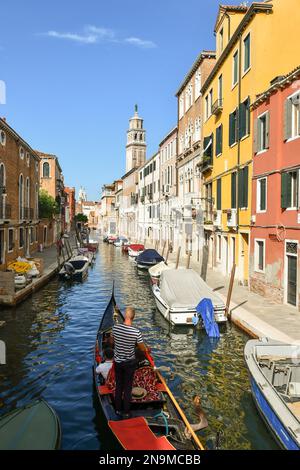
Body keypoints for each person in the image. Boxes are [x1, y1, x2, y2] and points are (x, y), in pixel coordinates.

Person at [112, 307, 147, 418]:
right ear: (133, 317)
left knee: (119, 386)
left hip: (118, 362)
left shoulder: (115, 328)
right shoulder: (136, 332)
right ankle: (126, 412)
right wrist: (144, 348)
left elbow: (112, 341)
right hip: (129, 363)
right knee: (127, 388)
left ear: (125, 316)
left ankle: (117, 410)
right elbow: (142, 348)